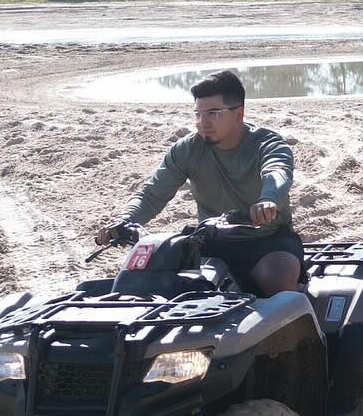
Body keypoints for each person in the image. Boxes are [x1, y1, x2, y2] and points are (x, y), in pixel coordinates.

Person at [94, 69, 302, 294]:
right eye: (198, 114)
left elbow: (277, 172)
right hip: (211, 240)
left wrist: (268, 200)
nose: (202, 122)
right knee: (159, 280)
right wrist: (125, 220)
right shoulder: (187, 149)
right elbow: (152, 193)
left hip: (267, 241)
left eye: (213, 113)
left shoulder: (267, 144)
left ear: (238, 114)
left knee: (277, 279)